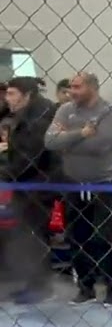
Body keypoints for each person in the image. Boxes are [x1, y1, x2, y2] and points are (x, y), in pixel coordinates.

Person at [44, 72, 112, 305]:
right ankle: (85, 287)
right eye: (71, 87)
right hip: (73, 182)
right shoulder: (65, 110)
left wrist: (67, 142)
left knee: (105, 238)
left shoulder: (109, 112)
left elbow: (100, 145)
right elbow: (50, 141)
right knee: (77, 237)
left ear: (92, 87)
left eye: (77, 87)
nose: (72, 91)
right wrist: (81, 133)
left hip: (104, 183)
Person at [2, 76, 58, 302]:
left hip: (37, 186)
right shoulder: (27, 115)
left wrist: (5, 173)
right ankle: (34, 283)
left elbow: (30, 158)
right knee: (30, 235)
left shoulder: (38, 119)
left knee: (36, 235)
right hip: (28, 185)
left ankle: (40, 286)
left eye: (12, 94)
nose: (7, 99)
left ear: (27, 95)